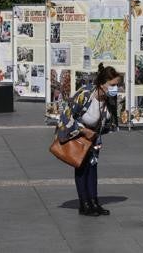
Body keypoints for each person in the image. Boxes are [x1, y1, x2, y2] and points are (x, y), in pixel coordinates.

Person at [55, 63, 120, 217]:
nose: (115, 88)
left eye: (117, 85)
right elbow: (66, 115)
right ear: (102, 83)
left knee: (93, 168)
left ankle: (94, 201)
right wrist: (83, 130)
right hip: (79, 136)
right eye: (112, 85)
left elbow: (110, 119)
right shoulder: (85, 94)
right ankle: (84, 203)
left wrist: (100, 131)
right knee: (81, 166)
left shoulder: (110, 98)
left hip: (94, 138)